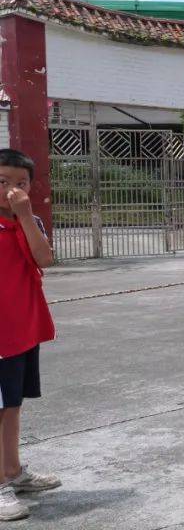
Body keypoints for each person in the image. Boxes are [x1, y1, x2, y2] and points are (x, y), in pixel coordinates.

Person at [0, 149, 61, 522]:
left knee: (12, 404)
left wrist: (23, 216)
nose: (12, 190)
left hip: (21, 330)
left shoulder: (27, 220)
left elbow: (44, 259)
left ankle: (13, 470)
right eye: (3, 182)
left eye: (21, 183)